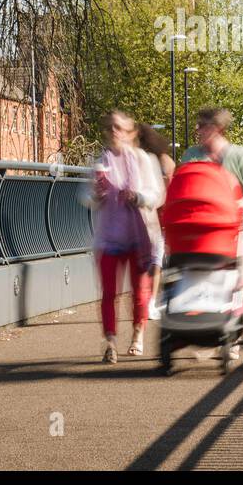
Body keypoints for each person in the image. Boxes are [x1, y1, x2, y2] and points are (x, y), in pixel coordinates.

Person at [180, 107, 243, 358]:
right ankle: (204, 332)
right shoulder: (192, 155)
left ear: (217, 128)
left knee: (234, 281)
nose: (197, 130)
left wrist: (240, 204)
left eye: (202, 126)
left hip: (237, 227)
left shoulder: (239, 154)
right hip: (201, 229)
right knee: (199, 280)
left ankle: (233, 337)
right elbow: (182, 184)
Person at [86, 111, 165, 363]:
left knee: (139, 291)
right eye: (111, 127)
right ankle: (110, 342)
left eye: (119, 128)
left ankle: (137, 335)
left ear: (131, 134)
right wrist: (95, 195)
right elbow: (84, 197)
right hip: (109, 237)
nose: (114, 132)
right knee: (109, 293)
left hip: (138, 236)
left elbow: (157, 194)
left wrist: (138, 197)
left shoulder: (143, 160)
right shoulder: (101, 162)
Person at [137, 123, 174, 319]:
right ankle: (150, 302)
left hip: (145, 214)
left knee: (149, 261)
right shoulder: (163, 160)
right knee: (155, 261)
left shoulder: (137, 158)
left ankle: (146, 302)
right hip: (159, 214)